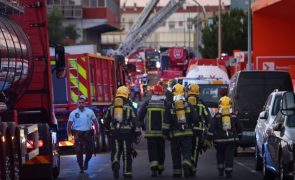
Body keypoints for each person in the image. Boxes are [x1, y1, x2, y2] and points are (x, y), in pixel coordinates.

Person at [104, 86, 141, 179]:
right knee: (126, 153)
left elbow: (105, 120)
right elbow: (135, 121)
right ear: (126, 95)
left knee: (115, 151)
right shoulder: (130, 107)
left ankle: (115, 163)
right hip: (127, 134)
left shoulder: (111, 107)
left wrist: (108, 131)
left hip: (114, 134)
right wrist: (137, 134)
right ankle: (127, 173)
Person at [162, 83, 198, 178]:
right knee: (187, 151)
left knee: (176, 153)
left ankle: (177, 172)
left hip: (174, 135)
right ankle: (186, 162)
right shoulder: (189, 105)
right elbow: (195, 119)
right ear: (183, 93)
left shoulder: (170, 106)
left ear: (173, 93)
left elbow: (166, 122)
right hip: (187, 133)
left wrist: (164, 133)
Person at [207, 96, 242, 178]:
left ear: (220, 105)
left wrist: (208, 138)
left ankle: (221, 170)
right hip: (231, 140)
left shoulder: (217, 116)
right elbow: (240, 128)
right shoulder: (233, 116)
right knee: (229, 155)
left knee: (220, 154)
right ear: (230, 105)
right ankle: (228, 171)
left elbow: (212, 128)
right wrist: (239, 137)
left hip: (219, 140)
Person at [137, 85, 166, 177]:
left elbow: (140, 115)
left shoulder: (148, 103)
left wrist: (141, 127)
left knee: (152, 151)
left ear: (153, 93)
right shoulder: (165, 103)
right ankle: (160, 167)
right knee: (161, 150)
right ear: (162, 93)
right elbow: (170, 116)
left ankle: (154, 169)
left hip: (150, 133)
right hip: (162, 133)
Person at [67, 95, 99, 173]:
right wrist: (69, 135)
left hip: (88, 134)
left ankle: (86, 162)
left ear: (85, 104)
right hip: (78, 135)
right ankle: (81, 167)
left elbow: (95, 122)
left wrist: (97, 133)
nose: (81, 104)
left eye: (82, 102)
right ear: (77, 104)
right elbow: (69, 124)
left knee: (90, 151)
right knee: (79, 152)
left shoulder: (90, 112)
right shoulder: (73, 113)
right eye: (79, 103)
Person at [185, 83, 212, 176]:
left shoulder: (184, 102)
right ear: (198, 92)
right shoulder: (201, 103)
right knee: (195, 150)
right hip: (198, 131)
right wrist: (209, 130)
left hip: (186, 130)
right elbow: (208, 117)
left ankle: (187, 163)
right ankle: (193, 168)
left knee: (187, 149)